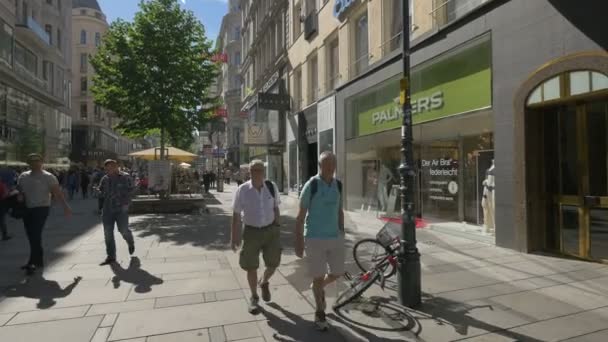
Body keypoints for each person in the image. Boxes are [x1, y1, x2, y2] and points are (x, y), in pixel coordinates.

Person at [295, 151, 345, 331]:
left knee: (338, 272)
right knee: (317, 276)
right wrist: (299, 242)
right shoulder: (312, 185)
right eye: (327, 164)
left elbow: (340, 211)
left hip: (335, 237)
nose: (330, 167)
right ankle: (319, 312)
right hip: (315, 238)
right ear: (320, 166)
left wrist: (342, 231)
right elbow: (300, 217)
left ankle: (319, 286)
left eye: (333, 164)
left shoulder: (338, 185)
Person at [231, 160, 281, 314]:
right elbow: (236, 215)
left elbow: (276, 208)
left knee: (273, 264)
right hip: (251, 232)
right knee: (251, 266)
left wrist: (278, 228)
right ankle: (254, 297)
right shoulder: (242, 190)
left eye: (259, 170)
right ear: (249, 172)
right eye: (253, 170)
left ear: (264, 172)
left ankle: (264, 281)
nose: (256, 173)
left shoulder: (271, 187)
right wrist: (234, 237)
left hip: (271, 231)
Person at [17, 154, 72, 275]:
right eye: (32, 161)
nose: (35, 163)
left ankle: (32, 262)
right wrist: (19, 196)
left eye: (37, 161)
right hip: (27, 209)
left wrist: (66, 207)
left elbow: (58, 193)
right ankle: (39, 260)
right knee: (31, 235)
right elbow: (19, 190)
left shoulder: (49, 177)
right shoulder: (23, 176)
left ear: (42, 162)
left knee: (35, 234)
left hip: (41, 209)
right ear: (28, 163)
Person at [98, 159, 135, 265]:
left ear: (116, 166)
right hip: (107, 209)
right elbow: (101, 191)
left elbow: (132, 190)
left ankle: (130, 241)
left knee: (123, 230)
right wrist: (98, 191)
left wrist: (126, 201)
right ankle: (111, 256)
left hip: (121, 209)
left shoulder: (125, 177)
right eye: (107, 168)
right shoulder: (105, 179)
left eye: (111, 167)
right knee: (108, 233)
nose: (109, 170)